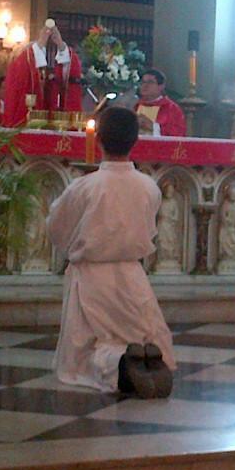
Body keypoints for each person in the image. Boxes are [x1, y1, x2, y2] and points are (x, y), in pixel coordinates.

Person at [47, 107, 175, 398]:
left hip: (92, 277)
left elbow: (57, 228)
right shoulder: (148, 187)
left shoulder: (85, 186)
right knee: (141, 331)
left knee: (85, 349)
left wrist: (73, 247)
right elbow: (150, 229)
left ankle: (119, 364)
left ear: (99, 139)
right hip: (132, 277)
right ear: (135, 141)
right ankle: (147, 360)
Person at [2, 20, 83, 126]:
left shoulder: (42, 71)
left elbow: (69, 74)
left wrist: (61, 45)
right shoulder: (19, 66)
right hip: (28, 120)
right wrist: (39, 44)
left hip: (54, 117)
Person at [134, 69, 186, 137]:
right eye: (143, 82)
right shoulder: (134, 106)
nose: (145, 85)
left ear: (161, 86)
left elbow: (178, 134)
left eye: (150, 82)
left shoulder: (171, 109)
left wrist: (153, 126)